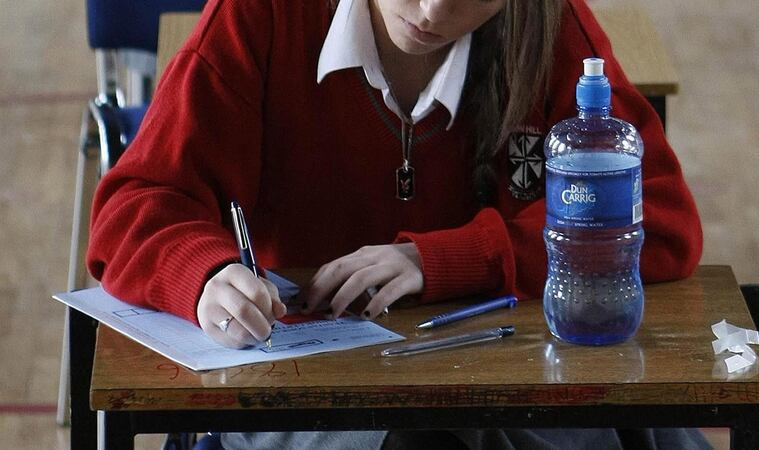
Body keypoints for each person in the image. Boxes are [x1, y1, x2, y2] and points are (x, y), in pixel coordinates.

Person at [87, 0, 707, 448]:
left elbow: (660, 212)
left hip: (504, 381)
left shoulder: (547, 26)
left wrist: (448, 258)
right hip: (308, 390)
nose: (432, 10)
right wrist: (205, 274)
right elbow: (136, 202)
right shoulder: (261, 16)